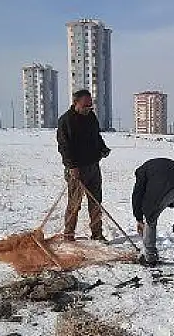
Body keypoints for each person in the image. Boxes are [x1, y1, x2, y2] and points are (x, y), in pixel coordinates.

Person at [56, 90, 111, 242]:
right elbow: (63, 146)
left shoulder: (91, 117)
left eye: (90, 106)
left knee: (96, 202)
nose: (89, 108)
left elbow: (96, 136)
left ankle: (97, 234)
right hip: (76, 169)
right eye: (85, 105)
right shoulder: (66, 120)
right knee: (75, 204)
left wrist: (102, 148)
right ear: (75, 103)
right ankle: (69, 235)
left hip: (93, 166)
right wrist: (72, 166)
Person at [132, 158, 174, 265]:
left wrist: (139, 219)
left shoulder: (142, 172)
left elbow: (137, 194)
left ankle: (150, 256)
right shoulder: (161, 166)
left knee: (151, 218)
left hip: (164, 190)